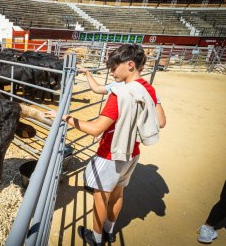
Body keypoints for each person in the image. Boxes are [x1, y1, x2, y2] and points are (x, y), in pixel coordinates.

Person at [45, 44, 166, 245]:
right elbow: (160, 122)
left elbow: (95, 129)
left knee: (101, 197)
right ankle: (109, 231)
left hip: (111, 153)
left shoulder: (119, 94)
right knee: (118, 193)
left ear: (129, 65)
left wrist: (65, 117)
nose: (111, 72)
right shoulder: (148, 90)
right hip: (133, 152)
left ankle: (96, 237)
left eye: (113, 67)